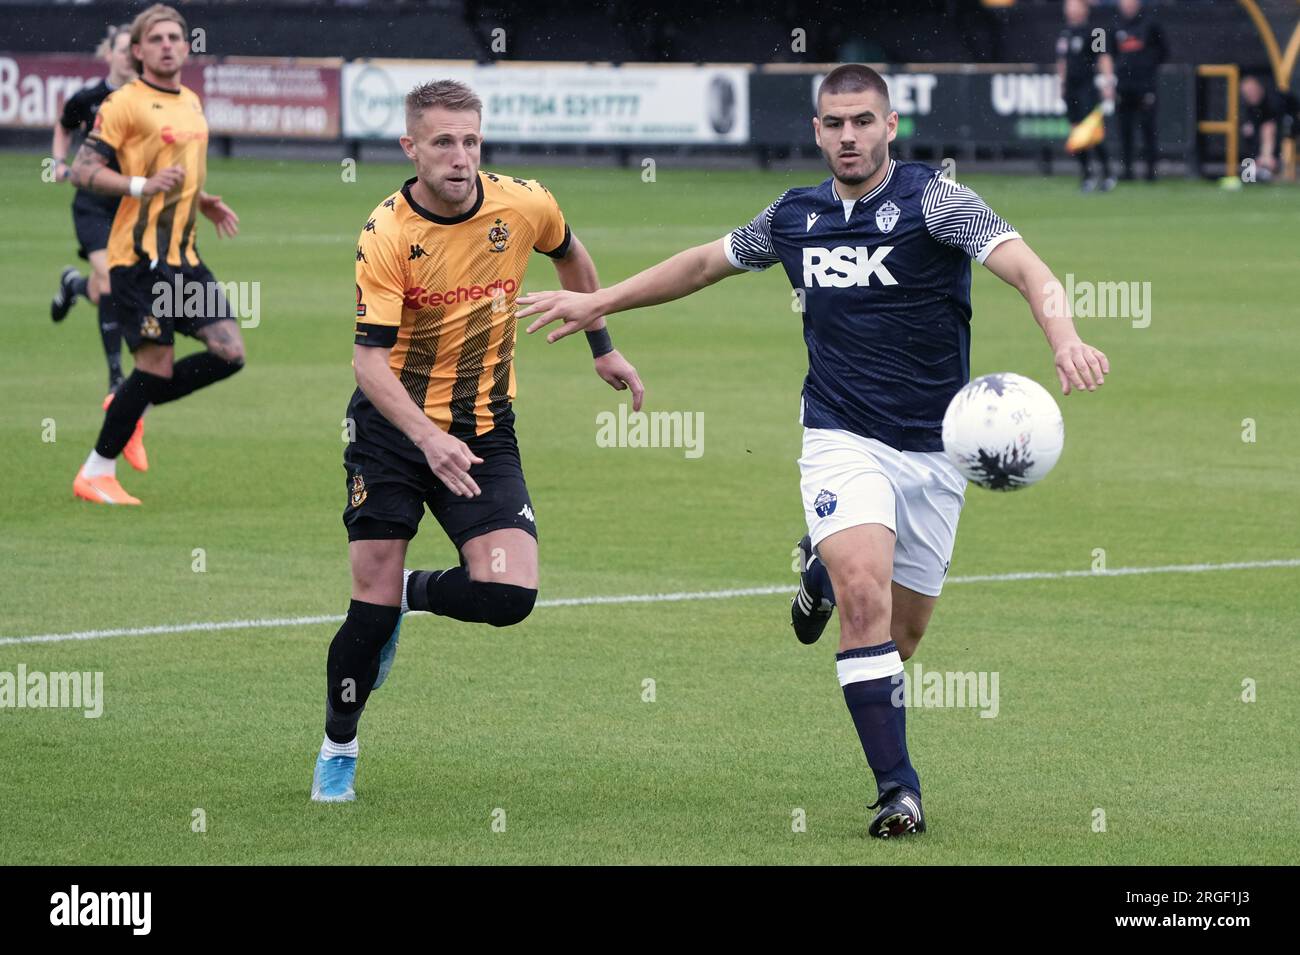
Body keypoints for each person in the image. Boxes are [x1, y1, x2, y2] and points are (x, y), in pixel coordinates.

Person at [517, 64, 1110, 838]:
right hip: (840, 435)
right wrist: (600, 299)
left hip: (936, 453)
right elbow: (702, 263)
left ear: (891, 125)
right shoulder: (794, 217)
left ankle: (815, 573)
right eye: (834, 123)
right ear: (817, 131)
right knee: (865, 596)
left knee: (901, 637)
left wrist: (1063, 337)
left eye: (863, 121)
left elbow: (1028, 270)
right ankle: (899, 790)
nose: (848, 136)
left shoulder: (936, 200)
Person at [311, 79, 645, 803]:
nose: (460, 157)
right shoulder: (387, 234)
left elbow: (572, 258)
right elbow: (368, 361)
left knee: (509, 592)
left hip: (486, 429)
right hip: (393, 430)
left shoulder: (524, 203)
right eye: (442, 143)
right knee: (363, 608)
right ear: (411, 147)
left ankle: (412, 594)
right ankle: (340, 742)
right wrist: (425, 436)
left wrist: (601, 344)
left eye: (470, 141)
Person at [67, 4, 244, 506]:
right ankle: (96, 470)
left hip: (184, 256)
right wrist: (142, 186)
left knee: (230, 354)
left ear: (186, 46)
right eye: (157, 39)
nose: (168, 45)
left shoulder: (190, 99)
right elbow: (83, 170)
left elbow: (181, 167)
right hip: (137, 260)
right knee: (156, 366)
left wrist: (200, 200)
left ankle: (129, 404)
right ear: (139, 50)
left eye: (176, 37)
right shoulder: (124, 102)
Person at [49, 24, 150, 471]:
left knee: (109, 284)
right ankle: (115, 373)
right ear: (109, 53)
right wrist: (58, 160)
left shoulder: (146, 100)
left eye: (135, 49)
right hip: (92, 202)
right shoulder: (89, 97)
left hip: (128, 203)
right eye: (123, 49)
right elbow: (65, 124)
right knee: (110, 275)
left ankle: (73, 286)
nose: (129, 56)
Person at [1057, 0, 1117, 192]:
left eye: (1075, 5)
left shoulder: (1095, 31)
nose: (1071, 9)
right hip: (1072, 89)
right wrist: (1062, 83)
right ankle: (1087, 175)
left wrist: (1108, 82)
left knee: (1092, 132)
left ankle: (1107, 174)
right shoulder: (1065, 33)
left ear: (1084, 9)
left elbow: (1103, 57)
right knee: (1076, 133)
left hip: (1087, 87)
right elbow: (1062, 61)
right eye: (1069, 6)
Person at [1113, 0, 1167, 181]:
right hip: (1123, 86)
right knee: (1125, 130)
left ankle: (1150, 171)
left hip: (1145, 85)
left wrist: (1147, 68)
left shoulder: (1151, 24)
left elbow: (1164, 51)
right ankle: (1127, 170)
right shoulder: (1114, 25)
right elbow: (1107, 51)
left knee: (1148, 129)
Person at [1239, 74, 1283, 181]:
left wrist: (1267, 156)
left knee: (1267, 128)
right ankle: (1258, 166)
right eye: (1247, 93)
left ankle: (1266, 164)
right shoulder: (1245, 109)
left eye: (1252, 91)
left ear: (1259, 88)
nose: (1250, 94)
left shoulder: (1274, 101)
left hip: (1281, 135)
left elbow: (1271, 127)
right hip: (1255, 152)